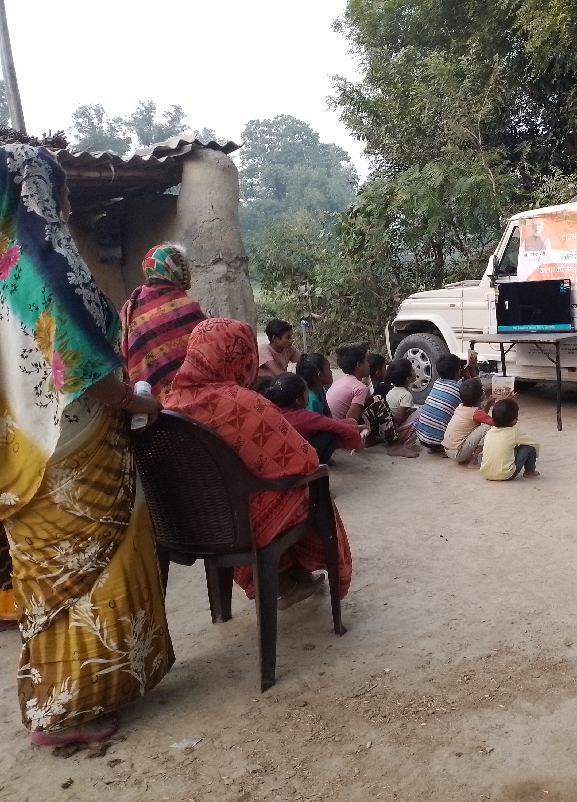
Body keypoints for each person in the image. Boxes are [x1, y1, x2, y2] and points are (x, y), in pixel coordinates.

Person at [0, 143, 173, 746]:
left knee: (51, 580)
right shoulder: (47, 270)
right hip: (73, 450)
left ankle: (58, 699)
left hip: (20, 457)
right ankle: (71, 710)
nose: (69, 200)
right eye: (61, 186)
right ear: (39, 193)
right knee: (95, 568)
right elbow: (84, 370)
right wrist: (138, 402)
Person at [166, 318, 354, 607]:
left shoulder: (169, 405)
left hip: (197, 522)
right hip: (242, 524)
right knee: (311, 491)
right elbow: (304, 459)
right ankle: (286, 578)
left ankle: (287, 577)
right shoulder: (242, 403)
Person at [118, 243, 206, 396]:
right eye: (184, 265)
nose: (188, 271)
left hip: (146, 399)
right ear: (174, 268)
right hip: (191, 398)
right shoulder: (186, 307)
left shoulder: (130, 307)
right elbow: (208, 353)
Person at [328, 344, 414, 458]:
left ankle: (370, 438)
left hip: (334, 429)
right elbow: (351, 418)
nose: (369, 364)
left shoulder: (344, 381)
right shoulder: (359, 388)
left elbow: (367, 403)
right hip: (341, 433)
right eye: (366, 361)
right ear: (359, 365)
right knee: (379, 402)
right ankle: (394, 444)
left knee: (375, 400)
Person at [260, 372, 366, 464]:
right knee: (330, 432)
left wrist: (354, 426)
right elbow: (338, 427)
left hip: (273, 457)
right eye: (306, 392)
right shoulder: (304, 416)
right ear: (299, 401)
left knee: (348, 423)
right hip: (297, 460)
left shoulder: (268, 411)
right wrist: (358, 444)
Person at [414, 353, 476, 452]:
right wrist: (471, 373)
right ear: (458, 372)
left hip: (422, 438)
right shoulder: (460, 389)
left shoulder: (437, 383)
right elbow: (479, 395)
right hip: (440, 441)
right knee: (471, 414)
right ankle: (444, 447)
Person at [480, 398, 540, 480]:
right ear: (514, 421)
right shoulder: (514, 433)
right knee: (529, 447)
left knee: (510, 446)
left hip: (486, 473)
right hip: (506, 475)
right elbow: (534, 443)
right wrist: (536, 455)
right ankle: (530, 471)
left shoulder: (489, 432)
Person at [442, 378, 495, 465]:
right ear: (481, 396)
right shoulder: (475, 412)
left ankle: (467, 455)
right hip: (458, 453)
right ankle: (473, 461)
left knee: (480, 427)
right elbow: (495, 423)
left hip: (448, 450)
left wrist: (488, 404)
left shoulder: (460, 407)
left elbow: (481, 416)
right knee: (486, 428)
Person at [385, 358, 423, 449]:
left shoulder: (391, 391)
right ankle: (407, 444)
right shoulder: (406, 395)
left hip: (388, 431)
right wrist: (411, 412)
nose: (415, 371)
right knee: (421, 413)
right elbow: (399, 418)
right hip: (396, 432)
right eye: (412, 370)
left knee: (416, 410)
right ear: (408, 378)